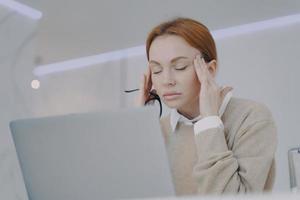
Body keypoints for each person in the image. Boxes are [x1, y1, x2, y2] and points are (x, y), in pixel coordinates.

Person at [135, 17, 277, 195]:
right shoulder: (157, 130)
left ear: (209, 70)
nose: (166, 81)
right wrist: (138, 130)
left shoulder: (251, 118)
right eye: (156, 70)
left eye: (179, 67)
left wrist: (209, 122)